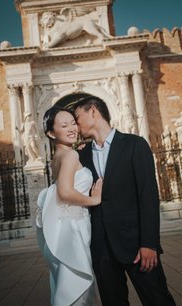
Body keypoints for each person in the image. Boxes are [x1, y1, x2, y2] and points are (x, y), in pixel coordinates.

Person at [74, 96, 176, 306]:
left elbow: (148, 197)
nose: (76, 124)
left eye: (77, 118)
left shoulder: (134, 145)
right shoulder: (81, 157)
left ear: (93, 111)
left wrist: (149, 243)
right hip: (102, 249)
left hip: (137, 245)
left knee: (158, 299)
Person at [36, 105, 103, 306]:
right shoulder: (71, 155)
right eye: (64, 125)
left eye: (73, 123)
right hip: (73, 226)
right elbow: (65, 192)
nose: (72, 128)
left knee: (67, 283)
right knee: (78, 286)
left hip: (64, 224)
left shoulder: (58, 155)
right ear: (50, 132)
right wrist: (94, 200)